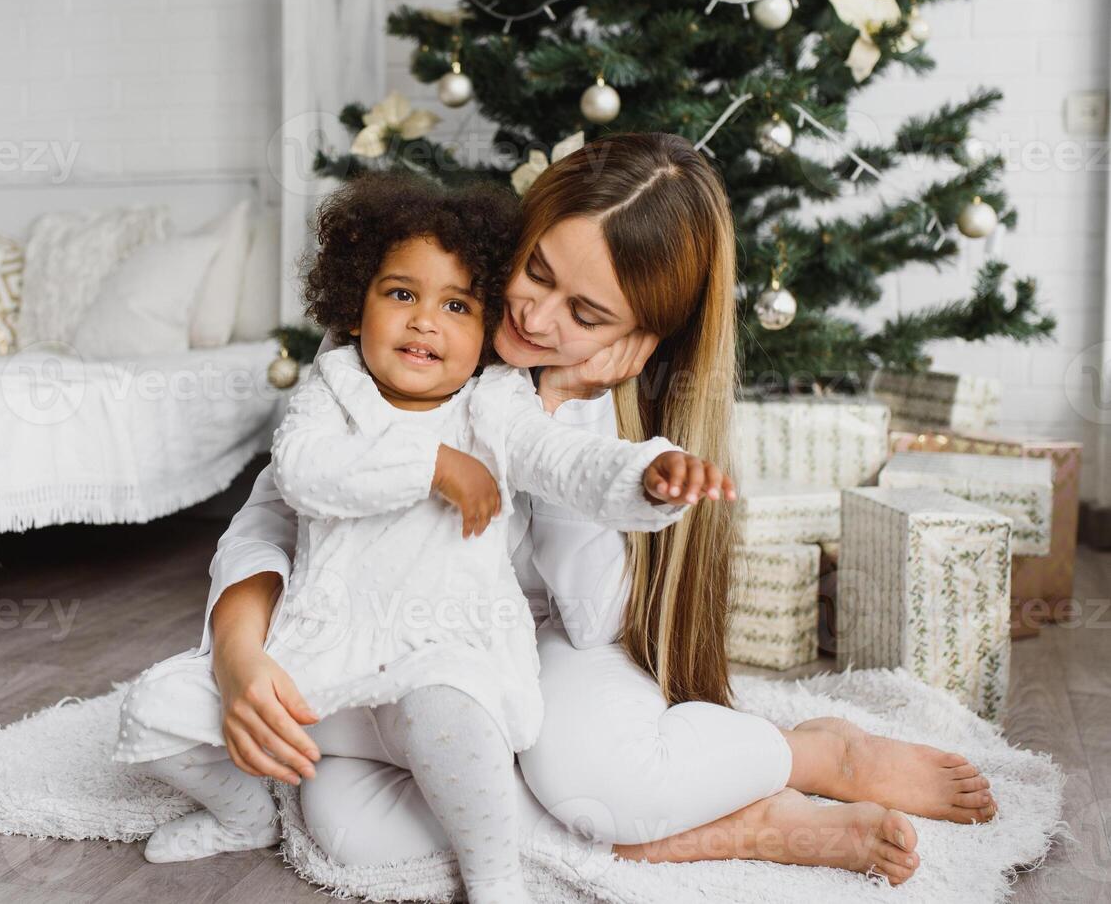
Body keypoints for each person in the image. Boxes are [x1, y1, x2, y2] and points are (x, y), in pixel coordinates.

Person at [201, 135, 996, 887]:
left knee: (588, 777)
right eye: (536, 270)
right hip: (406, 644)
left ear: (641, 338)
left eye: (585, 316)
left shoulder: (605, 404)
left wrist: (557, 403)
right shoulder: (417, 322)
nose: (537, 320)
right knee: (347, 827)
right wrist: (239, 653)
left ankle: (815, 758)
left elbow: (592, 618)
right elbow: (285, 500)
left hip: (542, 639)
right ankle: (725, 829)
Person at [114, 174, 730, 904]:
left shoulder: (497, 401)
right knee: (155, 709)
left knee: (455, 716)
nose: (424, 322)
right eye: (401, 295)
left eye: (458, 305)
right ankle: (245, 814)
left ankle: (498, 881)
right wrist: (432, 464)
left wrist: (644, 472)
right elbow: (301, 478)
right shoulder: (337, 384)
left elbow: (564, 464)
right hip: (323, 660)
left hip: (443, 659)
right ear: (357, 301)